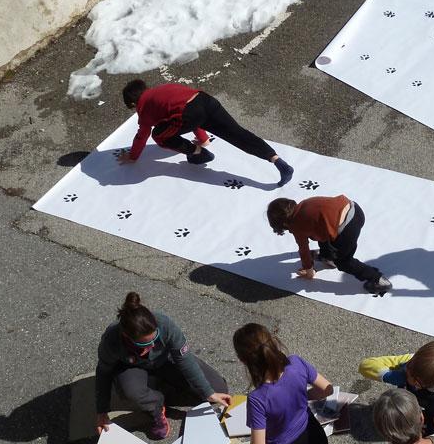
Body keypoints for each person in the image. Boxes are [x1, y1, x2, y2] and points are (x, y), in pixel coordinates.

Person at [95, 292, 232, 440]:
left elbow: (184, 359)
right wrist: (102, 410)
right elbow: (103, 372)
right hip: (132, 368)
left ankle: (156, 389)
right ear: (127, 337)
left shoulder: (165, 324)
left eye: (155, 339)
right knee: (131, 391)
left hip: (166, 360)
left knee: (218, 389)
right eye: (146, 344)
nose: (153, 345)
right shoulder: (111, 340)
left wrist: (208, 392)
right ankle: (155, 405)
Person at [118, 80, 294, 187]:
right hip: (205, 100)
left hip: (189, 113)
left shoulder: (144, 108)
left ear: (133, 103)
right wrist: (203, 138)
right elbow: (187, 105)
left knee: (159, 135)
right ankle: (278, 161)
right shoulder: (164, 89)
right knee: (238, 134)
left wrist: (133, 157)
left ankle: (199, 154)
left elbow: (142, 135)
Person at [266, 195, 393, 295]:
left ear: (284, 224)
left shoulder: (296, 225)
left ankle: (378, 280)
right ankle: (328, 257)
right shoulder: (305, 203)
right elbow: (322, 224)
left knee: (344, 262)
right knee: (321, 230)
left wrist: (309, 271)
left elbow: (303, 249)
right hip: (355, 209)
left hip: (347, 228)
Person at [358, 340, 434, 436]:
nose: (406, 369)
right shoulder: (412, 363)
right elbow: (365, 365)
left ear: (418, 383)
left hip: (424, 434)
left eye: (409, 373)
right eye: (409, 365)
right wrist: (389, 375)